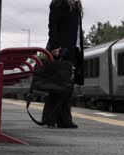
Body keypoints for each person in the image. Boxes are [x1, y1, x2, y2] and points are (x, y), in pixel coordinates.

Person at [42, 0, 84, 128]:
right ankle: (55, 118)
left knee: (66, 85)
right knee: (60, 84)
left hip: (73, 49)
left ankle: (59, 118)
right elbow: (52, 26)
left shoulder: (76, 5)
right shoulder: (58, 3)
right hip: (62, 49)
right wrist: (54, 47)